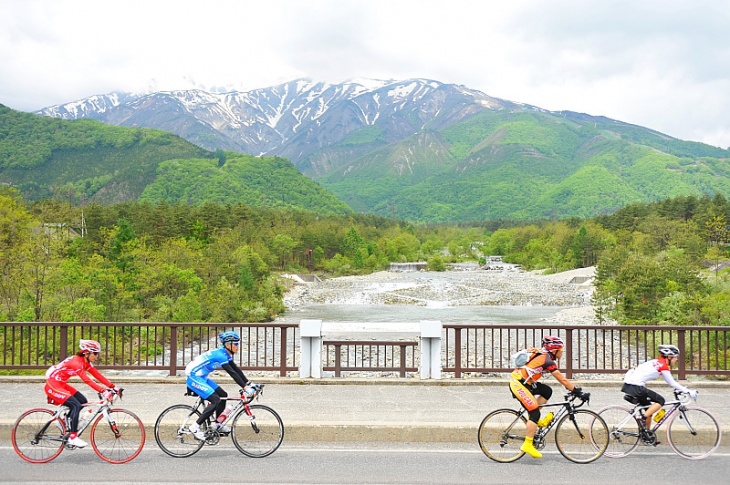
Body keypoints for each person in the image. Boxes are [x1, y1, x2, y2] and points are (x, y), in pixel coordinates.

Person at [509, 335, 588, 459]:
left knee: (547, 391)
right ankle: (527, 444)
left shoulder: (544, 355)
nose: (562, 352)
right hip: (518, 384)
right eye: (561, 350)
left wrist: (574, 390)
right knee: (534, 412)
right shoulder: (547, 360)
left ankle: (536, 421)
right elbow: (562, 379)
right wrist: (577, 392)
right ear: (554, 350)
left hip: (525, 383)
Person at [44, 339, 120, 448]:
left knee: (82, 401)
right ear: (86, 353)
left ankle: (65, 424)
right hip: (53, 385)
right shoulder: (76, 363)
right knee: (75, 404)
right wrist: (103, 391)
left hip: (61, 384)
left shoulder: (86, 362)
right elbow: (87, 380)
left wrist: (113, 387)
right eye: (95, 353)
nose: (97, 356)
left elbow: (97, 375)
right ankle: (72, 437)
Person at [185, 330, 259, 440]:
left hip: (202, 377)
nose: (238, 347)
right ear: (228, 344)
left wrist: (249, 383)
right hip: (193, 376)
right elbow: (232, 373)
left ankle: (218, 425)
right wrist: (245, 388)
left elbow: (236, 369)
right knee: (215, 400)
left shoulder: (225, 354)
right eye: (236, 344)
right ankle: (195, 427)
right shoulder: (221, 355)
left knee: (222, 395)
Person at [622, 344, 698, 433]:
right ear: (669, 357)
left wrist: (681, 388)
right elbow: (672, 382)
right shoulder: (662, 365)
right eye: (675, 357)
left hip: (630, 385)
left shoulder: (657, 362)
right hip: (635, 386)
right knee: (660, 401)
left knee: (649, 411)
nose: (676, 359)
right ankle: (642, 418)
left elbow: (670, 381)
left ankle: (646, 435)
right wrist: (687, 391)